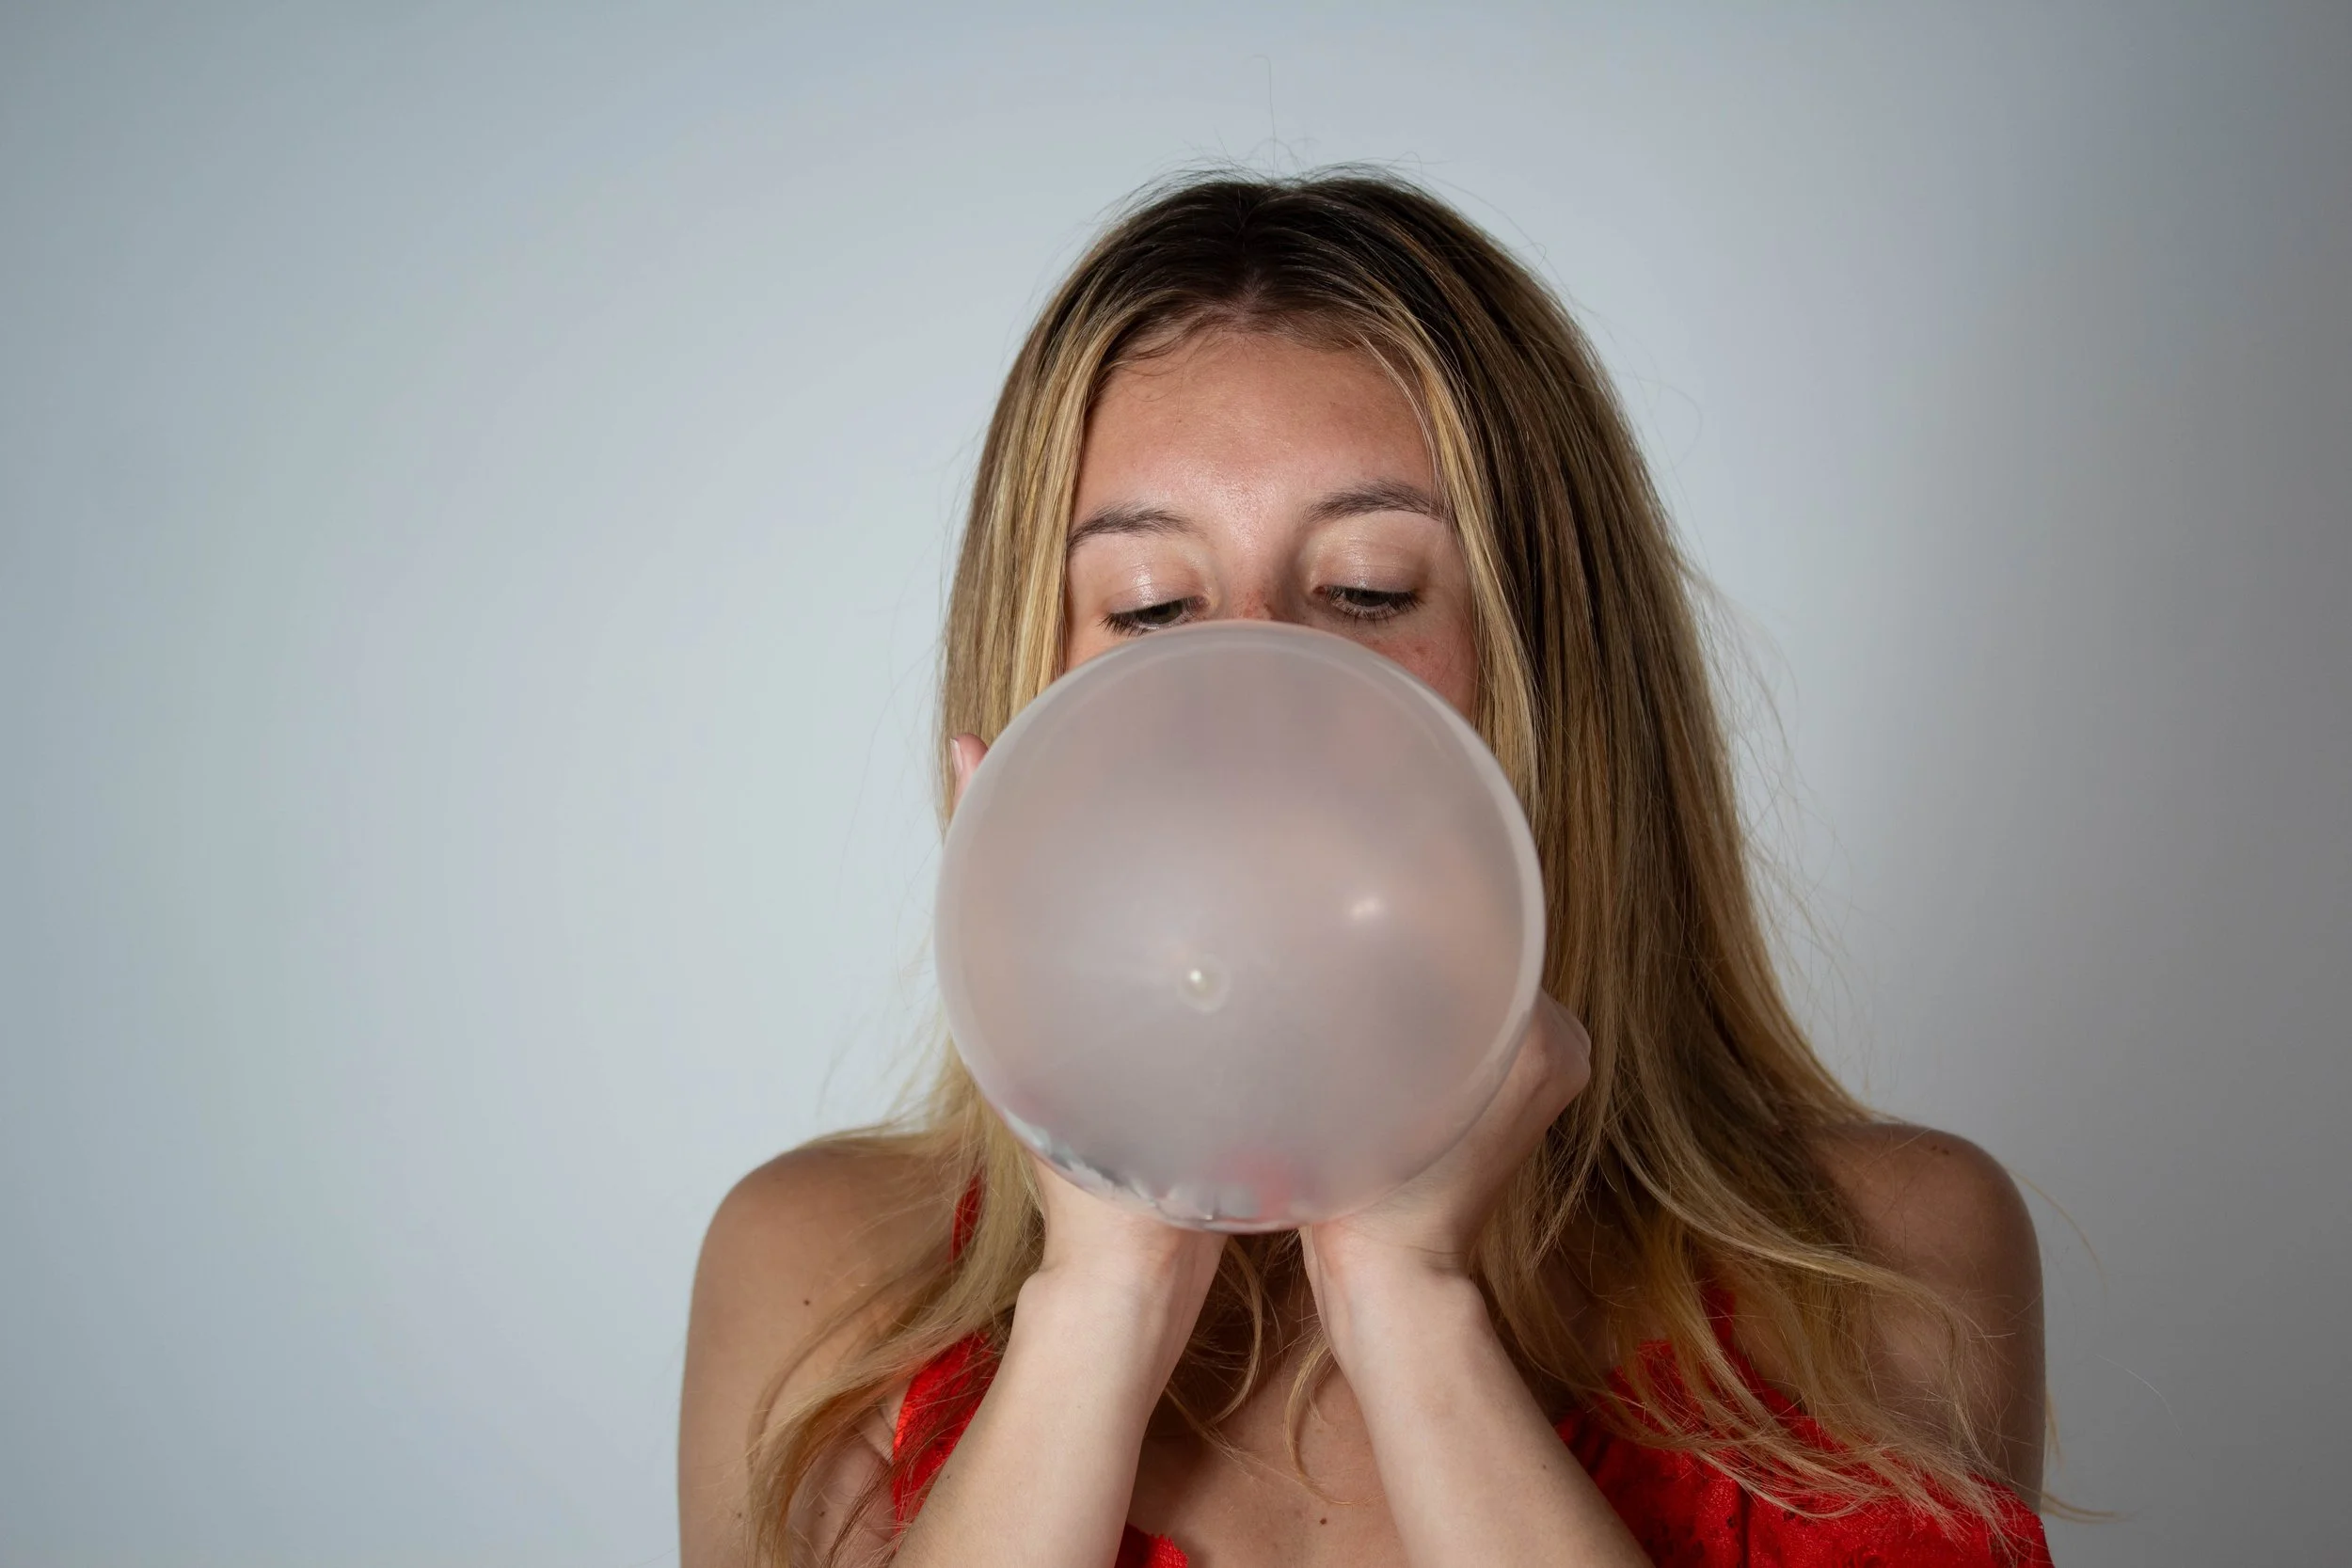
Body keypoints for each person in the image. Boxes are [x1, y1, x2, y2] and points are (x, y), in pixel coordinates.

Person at [677, 169, 2053, 1568]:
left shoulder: (1887, 1262)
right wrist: (1107, 1287)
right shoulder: (818, 1278)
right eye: (1151, 608)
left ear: (1554, 681)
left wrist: (1408, 1292)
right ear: (1035, 686)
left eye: (1368, 591)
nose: (1250, 682)